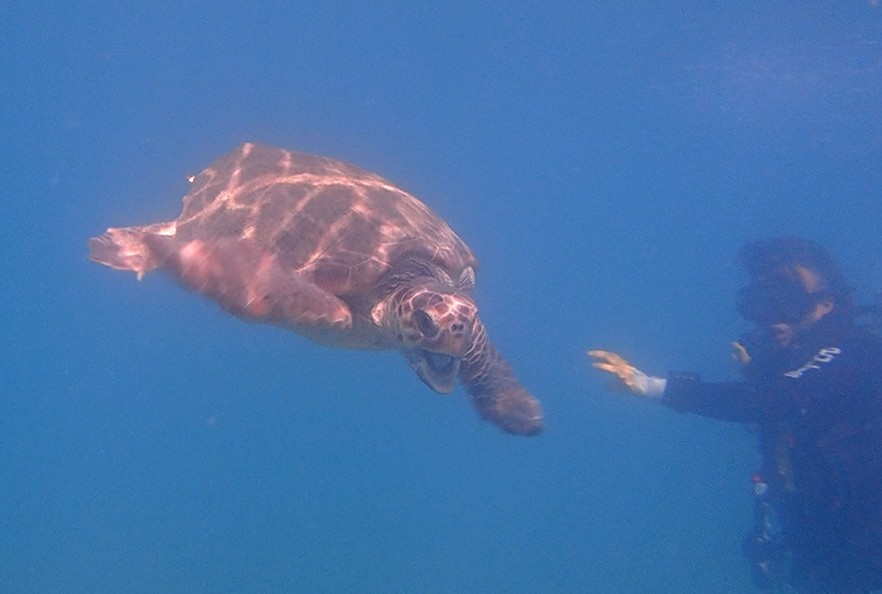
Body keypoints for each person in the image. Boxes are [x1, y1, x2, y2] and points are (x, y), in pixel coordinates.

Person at [589, 237, 882, 593]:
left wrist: (652, 386)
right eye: (765, 302)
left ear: (827, 302)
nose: (775, 317)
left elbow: (777, 400)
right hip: (831, 556)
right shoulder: (785, 373)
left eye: (788, 298)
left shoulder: (856, 351)